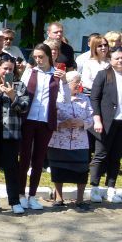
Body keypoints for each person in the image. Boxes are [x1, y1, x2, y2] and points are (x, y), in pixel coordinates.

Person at [89, 49, 122, 204]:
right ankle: (94, 187)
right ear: (110, 60)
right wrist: (97, 120)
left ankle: (111, 188)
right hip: (105, 122)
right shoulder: (103, 75)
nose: (120, 61)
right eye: (117, 58)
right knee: (101, 154)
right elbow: (94, 99)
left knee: (116, 157)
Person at [0, 58, 30, 213]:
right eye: (4, 69)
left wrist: (13, 95)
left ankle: (14, 201)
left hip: (11, 133)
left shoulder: (19, 86)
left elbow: (24, 107)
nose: (7, 72)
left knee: (11, 168)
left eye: (10, 69)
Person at [17, 43, 62, 210]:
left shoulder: (57, 74)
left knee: (39, 159)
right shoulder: (30, 72)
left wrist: (63, 81)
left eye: (41, 57)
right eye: (35, 57)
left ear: (49, 56)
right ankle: (21, 194)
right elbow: (21, 94)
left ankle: (33, 195)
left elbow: (63, 99)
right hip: (28, 120)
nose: (38, 60)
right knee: (24, 158)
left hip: (46, 121)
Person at [48, 71, 94, 210]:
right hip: (59, 141)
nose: (80, 84)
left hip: (79, 142)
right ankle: (59, 197)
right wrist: (61, 124)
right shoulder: (56, 98)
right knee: (58, 169)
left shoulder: (85, 99)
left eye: (80, 81)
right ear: (66, 83)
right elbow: (49, 119)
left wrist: (82, 123)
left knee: (81, 170)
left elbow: (91, 118)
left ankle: (80, 199)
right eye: (76, 81)